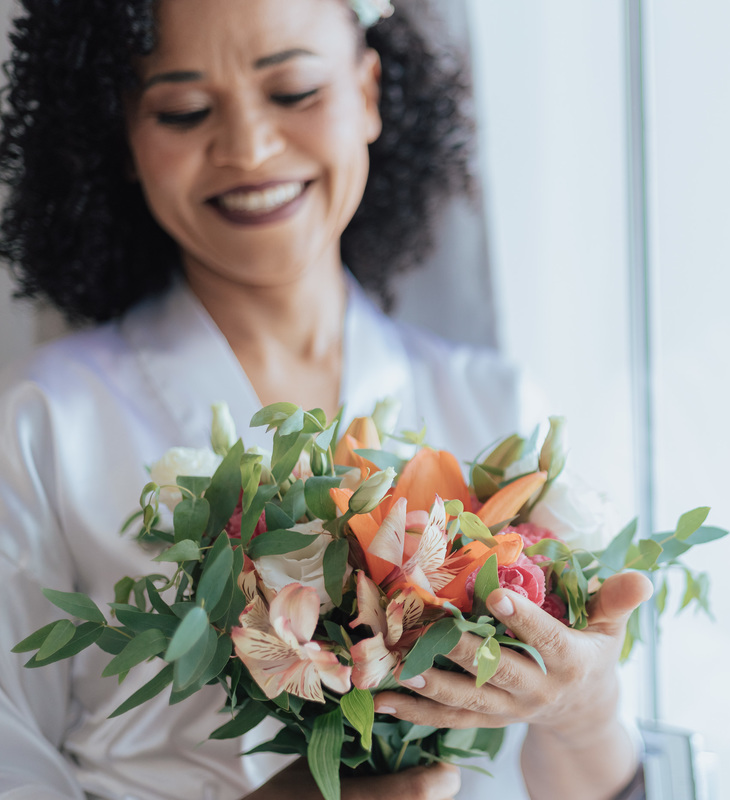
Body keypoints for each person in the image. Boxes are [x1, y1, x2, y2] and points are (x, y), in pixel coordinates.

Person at [0, 1, 652, 799]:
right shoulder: (44, 423)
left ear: (369, 92)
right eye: (185, 110)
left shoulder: (495, 409)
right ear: (124, 133)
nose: (249, 148)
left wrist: (585, 712)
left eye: (294, 92)